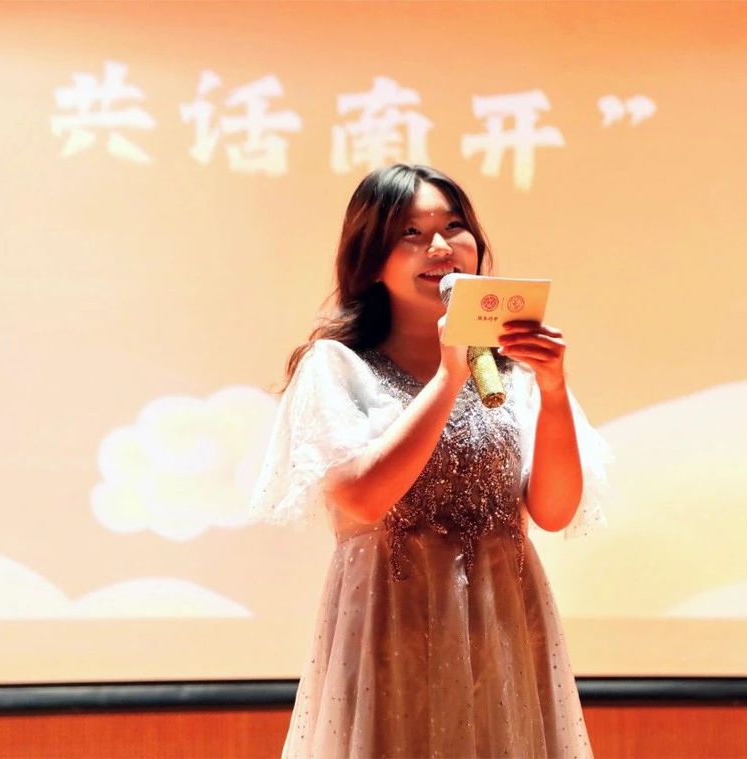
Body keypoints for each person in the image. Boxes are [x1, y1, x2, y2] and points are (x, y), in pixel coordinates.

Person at [250, 163, 610, 758]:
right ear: (371, 260)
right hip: (389, 627)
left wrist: (552, 389)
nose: (440, 247)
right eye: (410, 233)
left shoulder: (513, 370)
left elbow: (553, 511)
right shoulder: (337, 366)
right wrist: (448, 377)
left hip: (501, 627)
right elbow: (362, 497)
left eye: (454, 226)